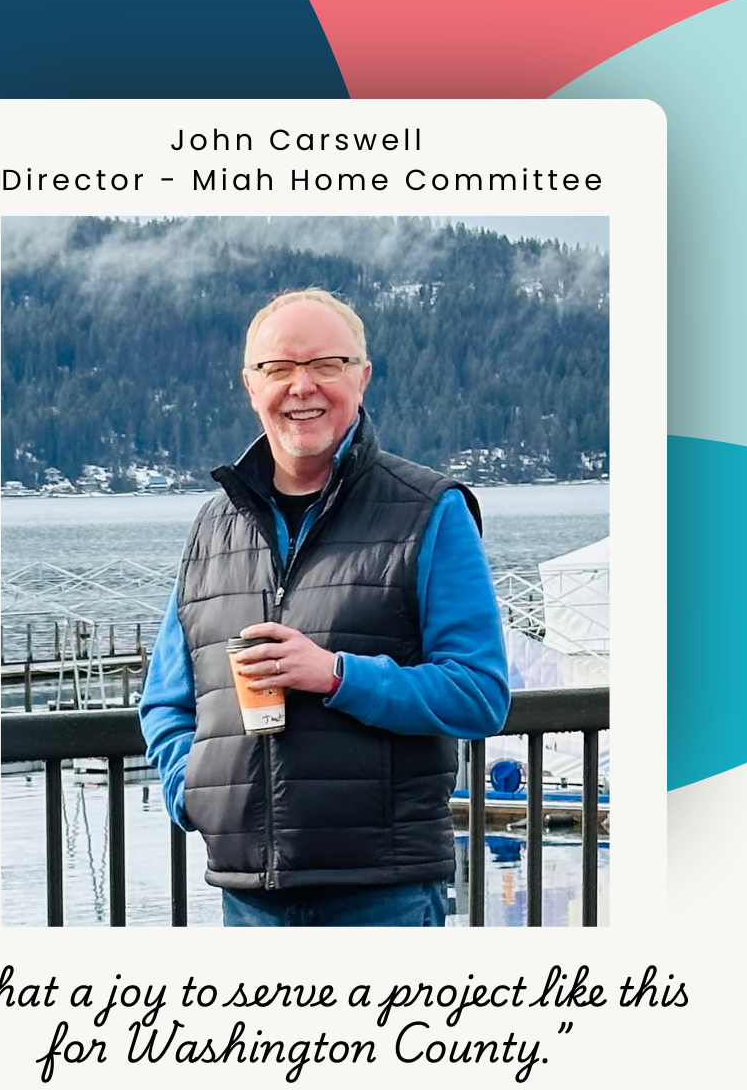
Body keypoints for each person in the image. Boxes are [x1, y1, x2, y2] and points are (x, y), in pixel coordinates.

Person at [140, 288, 509, 927]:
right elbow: (167, 700)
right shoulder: (211, 527)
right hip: (246, 896)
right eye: (278, 369)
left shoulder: (432, 510)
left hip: (381, 894)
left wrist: (336, 675)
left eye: (327, 365)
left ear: (362, 377)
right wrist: (192, 793)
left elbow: (479, 693)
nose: (301, 387)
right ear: (250, 386)